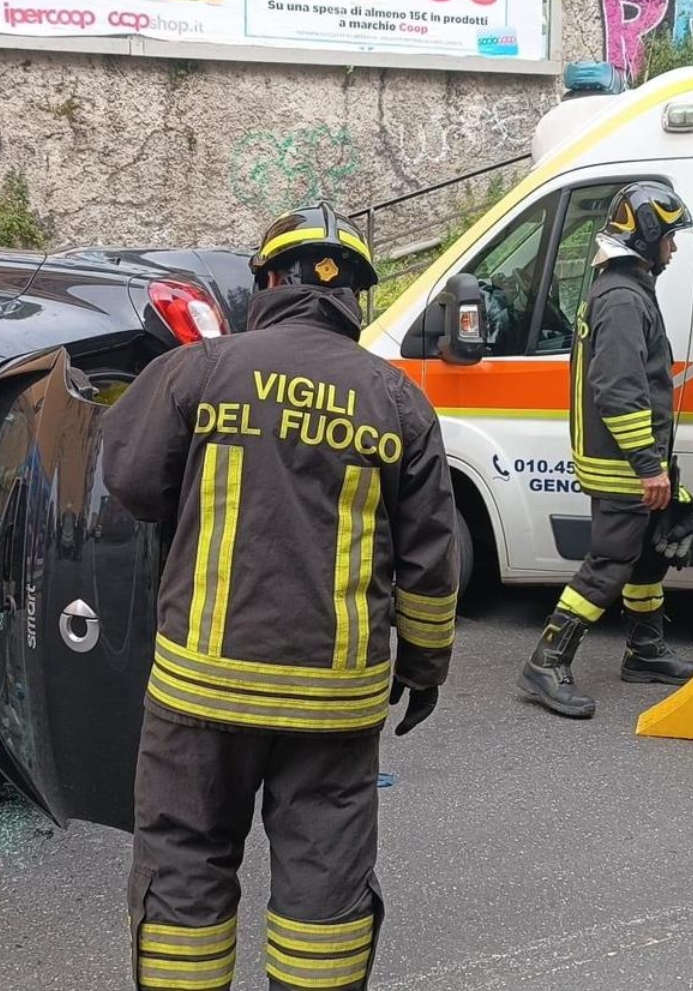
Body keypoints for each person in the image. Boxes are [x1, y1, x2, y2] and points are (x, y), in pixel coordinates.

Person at [101, 202, 460, 991]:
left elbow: (129, 483)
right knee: (322, 884)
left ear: (266, 279)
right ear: (354, 297)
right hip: (333, 701)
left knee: (186, 862)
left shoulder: (200, 368)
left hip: (201, 686)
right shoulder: (397, 401)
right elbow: (432, 564)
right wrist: (425, 667)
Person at [517, 180, 693, 721]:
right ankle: (546, 660)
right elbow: (619, 388)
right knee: (609, 563)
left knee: (646, 556)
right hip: (623, 464)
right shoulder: (623, 296)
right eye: (668, 239)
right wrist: (649, 465)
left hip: (632, 458)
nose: (672, 249)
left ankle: (644, 650)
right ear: (645, 237)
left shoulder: (623, 286)